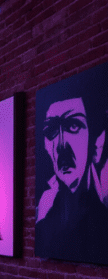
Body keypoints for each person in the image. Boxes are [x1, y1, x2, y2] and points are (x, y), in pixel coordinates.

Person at [35, 80, 108, 264]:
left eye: (73, 126)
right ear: (45, 144)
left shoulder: (102, 225)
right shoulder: (45, 226)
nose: (61, 145)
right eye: (52, 131)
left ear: (97, 141)